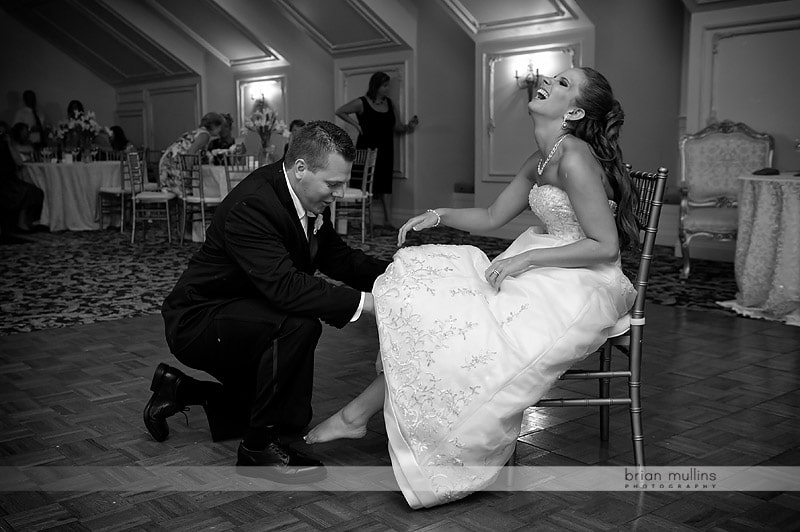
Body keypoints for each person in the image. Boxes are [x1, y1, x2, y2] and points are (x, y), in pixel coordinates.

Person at [305, 67, 639, 508]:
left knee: (468, 326)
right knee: (437, 300)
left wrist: (527, 258)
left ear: (575, 110)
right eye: (554, 76)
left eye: (563, 84)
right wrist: (437, 214)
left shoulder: (574, 156)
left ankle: (361, 417)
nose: (548, 81)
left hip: (582, 278)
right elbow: (493, 216)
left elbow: (604, 245)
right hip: (543, 263)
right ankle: (357, 415)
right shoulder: (541, 156)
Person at [145, 121, 390, 481]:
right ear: (301, 169)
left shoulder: (304, 195)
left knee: (289, 417)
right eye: (333, 184)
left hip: (247, 311)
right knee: (297, 324)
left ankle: (180, 388)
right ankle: (256, 449)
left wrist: (400, 277)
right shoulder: (254, 205)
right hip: (200, 319)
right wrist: (371, 304)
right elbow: (286, 287)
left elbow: (340, 259)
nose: (338, 193)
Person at [335, 72, 418, 227]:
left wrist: (409, 126)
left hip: (386, 148)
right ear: (376, 86)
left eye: (387, 85)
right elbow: (340, 111)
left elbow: (397, 126)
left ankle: (388, 220)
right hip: (367, 146)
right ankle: (361, 221)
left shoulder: (390, 104)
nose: (387, 89)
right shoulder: (362, 102)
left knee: (385, 183)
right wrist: (356, 125)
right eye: (384, 86)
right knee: (365, 183)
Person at [158, 112, 225, 194]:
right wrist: (189, 173)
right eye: (220, 127)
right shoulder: (205, 135)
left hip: (168, 160)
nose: (221, 130)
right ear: (214, 126)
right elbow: (191, 152)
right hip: (175, 163)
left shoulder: (198, 131)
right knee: (189, 190)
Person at [0, 121, 44, 233]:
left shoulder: (9, 146)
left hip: (10, 179)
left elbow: (18, 161)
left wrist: (10, 144)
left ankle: (26, 220)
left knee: (36, 191)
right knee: (24, 191)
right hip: (5, 181)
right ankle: (21, 222)